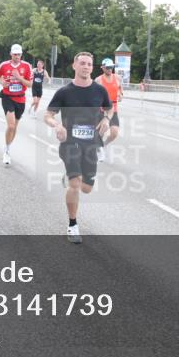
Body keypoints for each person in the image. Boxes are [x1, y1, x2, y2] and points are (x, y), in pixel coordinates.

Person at [44, 52, 113, 244]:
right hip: (70, 143)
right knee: (75, 184)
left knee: (87, 188)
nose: (86, 67)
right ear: (74, 66)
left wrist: (107, 119)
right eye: (82, 63)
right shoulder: (64, 92)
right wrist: (56, 125)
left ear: (92, 68)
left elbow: (109, 108)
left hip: (91, 144)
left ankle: (70, 178)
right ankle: (73, 224)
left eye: (89, 64)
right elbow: (48, 115)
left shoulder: (99, 90)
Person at [0, 44, 33, 165]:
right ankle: (6, 150)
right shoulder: (4, 65)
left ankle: (8, 147)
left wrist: (19, 78)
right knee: (10, 126)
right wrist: (1, 81)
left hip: (20, 99)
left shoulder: (27, 66)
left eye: (19, 54)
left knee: (15, 127)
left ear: (21, 54)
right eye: (15, 54)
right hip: (7, 97)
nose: (17, 56)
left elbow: (30, 84)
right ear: (11, 54)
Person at [94, 57, 123, 162]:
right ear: (103, 68)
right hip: (101, 109)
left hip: (114, 109)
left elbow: (120, 89)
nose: (110, 69)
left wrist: (121, 95)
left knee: (114, 133)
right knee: (100, 132)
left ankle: (104, 145)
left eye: (111, 67)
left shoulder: (118, 78)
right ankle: (100, 151)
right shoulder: (98, 80)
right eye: (108, 67)